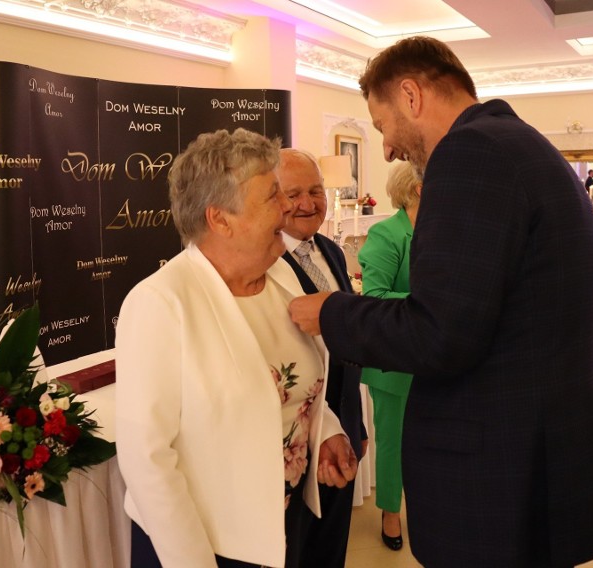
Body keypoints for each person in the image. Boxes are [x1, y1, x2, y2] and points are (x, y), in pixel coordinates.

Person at [288, 36, 593, 566]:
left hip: (493, 466)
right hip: (538, 449)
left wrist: (330, 312)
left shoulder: (469, 154)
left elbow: (440, 332)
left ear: (410, 95)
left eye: (381, 126)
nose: (387, 149)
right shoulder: (525, 146)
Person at [115, 128, 358, 568]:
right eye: (272, 196)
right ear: (220, 219)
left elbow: (289, 387)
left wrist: (327, 431)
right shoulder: (161, 303)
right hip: (207, 545)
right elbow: (147, 460)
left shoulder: (281, 276)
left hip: (286, 526)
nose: (288, 207)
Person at [276, 148, 366, 568]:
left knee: (333, 548)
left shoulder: (330, 250)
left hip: (342, 429)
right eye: (293, 194)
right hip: (294, 442)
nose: (307, 203)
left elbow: (345, 346)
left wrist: (356, 423)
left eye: (315, 190)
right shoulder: (263, 264)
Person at [357, 161, 421, 552]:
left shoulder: (441, 230)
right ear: (415, 189)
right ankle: (390, 512)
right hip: (395, 362)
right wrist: (428, 305)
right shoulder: (387, 233)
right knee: (393, 442)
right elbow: (374, 298)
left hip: (436, 362)